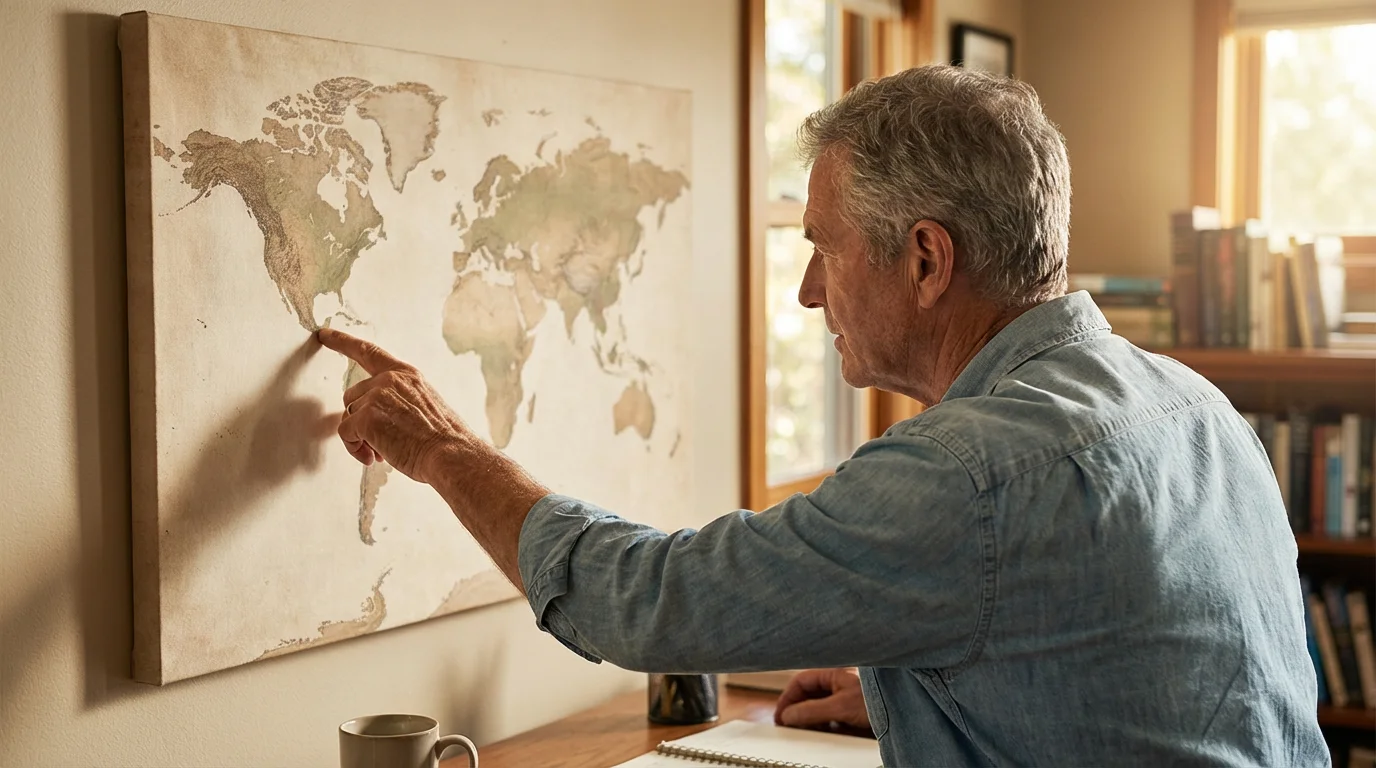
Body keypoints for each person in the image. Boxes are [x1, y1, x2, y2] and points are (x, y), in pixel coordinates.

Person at [314, 65, 1328, 766]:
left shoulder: (970, 473)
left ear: (925, 260)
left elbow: (644, 602)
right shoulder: (1184, 398)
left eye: (824, 246)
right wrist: (912, 694)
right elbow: (1144, 672)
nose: (806, 291)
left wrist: (442, 448)